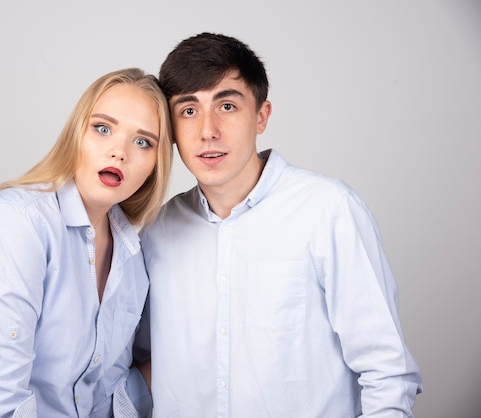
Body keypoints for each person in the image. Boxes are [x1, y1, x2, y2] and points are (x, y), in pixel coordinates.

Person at [136, 33, 422, 417]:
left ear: (261, 116)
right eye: (188, 110)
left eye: (227, 105)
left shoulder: (327, 210)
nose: (207, 130)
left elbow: (387, 372)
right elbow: (135, 367)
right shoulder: (156, 230)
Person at [0, 67, 171, 418]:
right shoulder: (17, 221)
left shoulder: (132, 255)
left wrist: (187, 359)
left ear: (156, 162)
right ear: (75, 134)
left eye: (142, 142)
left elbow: (103, 395)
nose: (119, 152)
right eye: (102, 128)